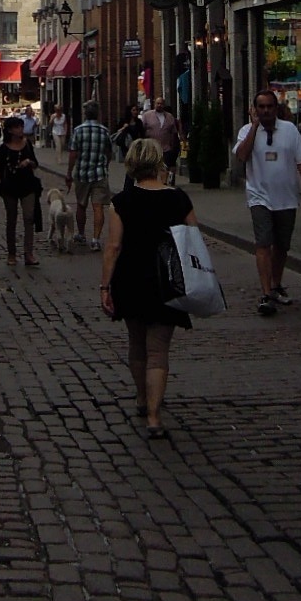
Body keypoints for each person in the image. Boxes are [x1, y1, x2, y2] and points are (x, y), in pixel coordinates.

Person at [99, 136, 203, 440]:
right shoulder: (178, 198)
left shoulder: (122, 201)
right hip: (166, 279)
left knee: (137, 344)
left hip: (131, 277)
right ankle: (155, 417)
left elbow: (113, 247)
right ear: (158, 163)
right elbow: (193, 236)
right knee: (158, 350)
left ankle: (142, 398)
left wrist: (105, 286)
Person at [234, 88, 301, 318]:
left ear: (276, 108)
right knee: (263, 243)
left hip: (286, 198)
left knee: (281, 246)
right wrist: (254, 127)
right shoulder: (246, 131)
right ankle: (266, 293)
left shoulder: (289, 130)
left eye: (270, 106)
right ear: (254, 109)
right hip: (259, 197)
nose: (266, 111)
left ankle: (276, 284)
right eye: (261, 107)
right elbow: (242, 156)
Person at [0, 112, 42, 267]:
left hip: (28, 185)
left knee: (29, 218)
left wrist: (29, 162)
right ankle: (11, 253)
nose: (20, 129)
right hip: (9, 187)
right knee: (11, 219)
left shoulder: (27, 144)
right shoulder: (3, 148)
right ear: (10, 130)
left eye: (21, 126)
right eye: (17, 127)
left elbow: (35, 164)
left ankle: (28, 253)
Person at [67, 100, 115, 253]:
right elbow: (109, 152)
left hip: (82, 173)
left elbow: (73, 153)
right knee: (98, 206)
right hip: (99, 174)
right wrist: (105, 165)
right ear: (98, 114)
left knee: (81, 205)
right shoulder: (104, 131)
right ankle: (96, 239)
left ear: (85, 114)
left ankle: (81, 234)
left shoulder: (78, 130)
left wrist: (69, 173)